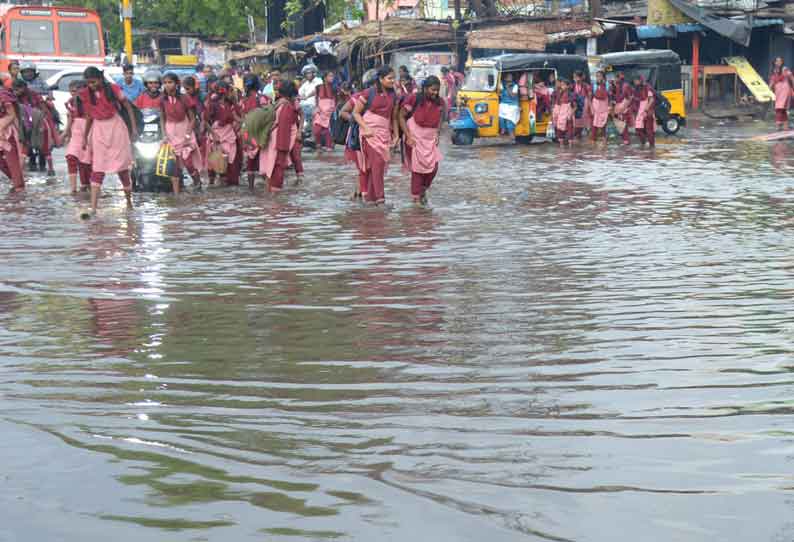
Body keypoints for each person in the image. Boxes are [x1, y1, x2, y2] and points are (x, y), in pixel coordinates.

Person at [79, 66, 137, 213]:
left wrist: (134, 129)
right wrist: (85, 137)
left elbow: (128, 107)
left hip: (116, 128)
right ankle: (93, 208)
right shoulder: (85, 94)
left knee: (122, 168)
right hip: (99, 130)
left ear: (100, 78)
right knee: (98, 168)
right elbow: (89, 116)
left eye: (93, 82)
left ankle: (129, 203)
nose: (91, 85)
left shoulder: (113, 88)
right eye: (89, 83)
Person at [353, 65, 399, 206]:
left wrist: (396, 135)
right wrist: (366, 128)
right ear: (380, 79)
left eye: (394, 78)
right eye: (389, 78)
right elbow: (355, 113)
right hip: (369, 134)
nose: (393, 81)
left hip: (384, 134)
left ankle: (370, 201)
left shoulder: (394, 95)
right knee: (377, 163)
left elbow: (394, 117)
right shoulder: (368, 93)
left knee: (377, 167)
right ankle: (381, 199)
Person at [400, 75, 443, 205]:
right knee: (417, 170)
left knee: (434, 167)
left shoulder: (440, 102)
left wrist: (438, 134)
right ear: (425, 88)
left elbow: (440, 118)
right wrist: (408, 135)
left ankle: (422, 189)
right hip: (414, 138)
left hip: (430, 139)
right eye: (433, 90)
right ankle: (416, 201)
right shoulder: (414, 98)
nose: (435, 93)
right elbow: (400, 116)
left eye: (437, 90)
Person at [161, 72, 203, 193]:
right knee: (173, 165)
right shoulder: (163, 100)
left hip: (184, 131)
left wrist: (187, 136)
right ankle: (177, 194)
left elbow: (193, 119)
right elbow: (162, 117)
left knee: (188, 163)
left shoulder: (185, 99)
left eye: (170, 82)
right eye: (165, 83)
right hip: (170, 132)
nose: (167, 85)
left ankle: (197, 184)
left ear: (176, 84)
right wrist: (164, 134)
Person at [259, 80, 299, 193]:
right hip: (279, 143)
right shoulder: (286, 106)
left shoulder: (278, 103)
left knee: (271, 169)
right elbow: (284, 129)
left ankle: (270, 198)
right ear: (291, 94)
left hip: (273, 140)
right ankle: (276, 204)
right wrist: (283, 149)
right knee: (277, 170)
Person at [13, 80, 58, 175]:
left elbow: (44, 110)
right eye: (15, 90)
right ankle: (20, 173)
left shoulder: (34, 95)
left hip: (40, 123)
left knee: (44, 148)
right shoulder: (14, 98)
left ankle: (49, 169)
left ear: (24, 87)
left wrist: (43, 123)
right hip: (25, 125)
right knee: (25, 147)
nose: (16, 92)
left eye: (18, 89)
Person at [204, 80, 242, 185]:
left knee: (230, 161)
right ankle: (215, 183)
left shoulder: (229, 103)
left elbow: (236, 117)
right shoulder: (212, 105)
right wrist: (213, 134)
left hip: (229, 135)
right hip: (217, 135)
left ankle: (226, 184)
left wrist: (244, 122)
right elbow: (205, 121)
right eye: (229, 91)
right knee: (216, 162)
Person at [62, 79, 93, 193]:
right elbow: (70, 118)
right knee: (71, 157)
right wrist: (66, 133)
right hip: (76, 132)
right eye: (72, 92)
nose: (75, 94)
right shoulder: (70, 102)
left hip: (89, 131)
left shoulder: (91, 101)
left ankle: (87, 185)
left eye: (77, 91)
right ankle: (73, 189)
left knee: (86, 162)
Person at [240, 74, 269, 188]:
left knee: (251, 162)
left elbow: (243, 118)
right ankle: (267, 186)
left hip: (249, 133)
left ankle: (251, 188)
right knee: (262, 159)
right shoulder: (262, 98)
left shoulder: (245, 100)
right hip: (259, 132)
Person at [0, 86, 24, 191]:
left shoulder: (4, 95)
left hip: (8, 131)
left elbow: (12, 115)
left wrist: (1, 128)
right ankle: (17, 181)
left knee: (12, 160)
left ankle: (19, 187)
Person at [312, 71, 336, 151]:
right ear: (325, 78)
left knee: (327, 130)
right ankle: (318, 145)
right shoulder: (318, 87)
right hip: (320, 111)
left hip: (329, 112)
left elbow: (335, 100)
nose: (332, 78)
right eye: (330, 76)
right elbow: (316, 98)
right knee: (317, 130)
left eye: (332, 76)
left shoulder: (334, 88)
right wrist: (316, 108)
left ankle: (329, 145)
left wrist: (333, 109)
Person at [769, 57, 793, 130]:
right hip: (778, 90)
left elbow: (792, 78)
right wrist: (767, 90)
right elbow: (772, 82)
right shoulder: (774, 71)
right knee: (782, 109)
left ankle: (778, 125)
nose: (779, 62)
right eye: (777, 61)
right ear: (775, 62)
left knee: (780, 108)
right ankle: (785, 126)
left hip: (785, 89)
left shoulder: (785, 69)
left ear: (782, 62)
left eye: (780, 61)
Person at [632, 75, 656, 147]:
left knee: (649, 130)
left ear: (640, 80)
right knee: (638, 128)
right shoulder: (637, 89)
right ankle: (643, 144)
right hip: (640, 110)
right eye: (634, 81)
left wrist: (646, 109)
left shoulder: (647, 87)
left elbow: (651, 99)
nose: (635, 82)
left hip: (647, 110)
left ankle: (652, 146)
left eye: (636, 80)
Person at [611, 72, 633, 145]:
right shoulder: (615, 86)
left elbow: (629, 98)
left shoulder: (625, 86)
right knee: (620, 125)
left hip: (624, 106)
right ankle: (625, 140)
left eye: (615, 78)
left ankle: (626, 141)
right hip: (618, 106)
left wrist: (623, 108)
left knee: (623, 124)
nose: (614, 79)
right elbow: (613, 96)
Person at [552, 78, 575, 146]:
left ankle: (570, 146)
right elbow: (558, 105)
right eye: (561, 85)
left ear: (568, 86)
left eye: (564, 85)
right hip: (561, 114)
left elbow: (575, 106)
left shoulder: (571, 94)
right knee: (560, 130)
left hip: (568, 114)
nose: (562, 86)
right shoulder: (560, 94)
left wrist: (571, 114)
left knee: (569, 130)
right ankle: (561, 147)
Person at [590, 70, 610, 143]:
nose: (598, 78)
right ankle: (593, 141)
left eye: (599, 76)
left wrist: (610, 107)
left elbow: (609, 96)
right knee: (594, 125)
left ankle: (604, 140)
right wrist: (591, 108)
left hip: (604, 106)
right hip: (595, 106)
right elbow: (590, 97)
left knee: (603, 124)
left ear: (603, 77)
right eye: (597, 76)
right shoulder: (593, 85)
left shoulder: (608, 85)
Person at [572, 70, 592, 139]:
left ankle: (591, 142)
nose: (574, 79)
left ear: (580, 78)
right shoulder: (573, 86)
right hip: (577, 108)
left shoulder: (586, 86)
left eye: (576, 77)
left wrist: (590, 109)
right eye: (574, 77)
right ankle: (579, 142)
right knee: (577, 127)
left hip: (585, 108)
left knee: (588, 126)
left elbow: (590, 97)